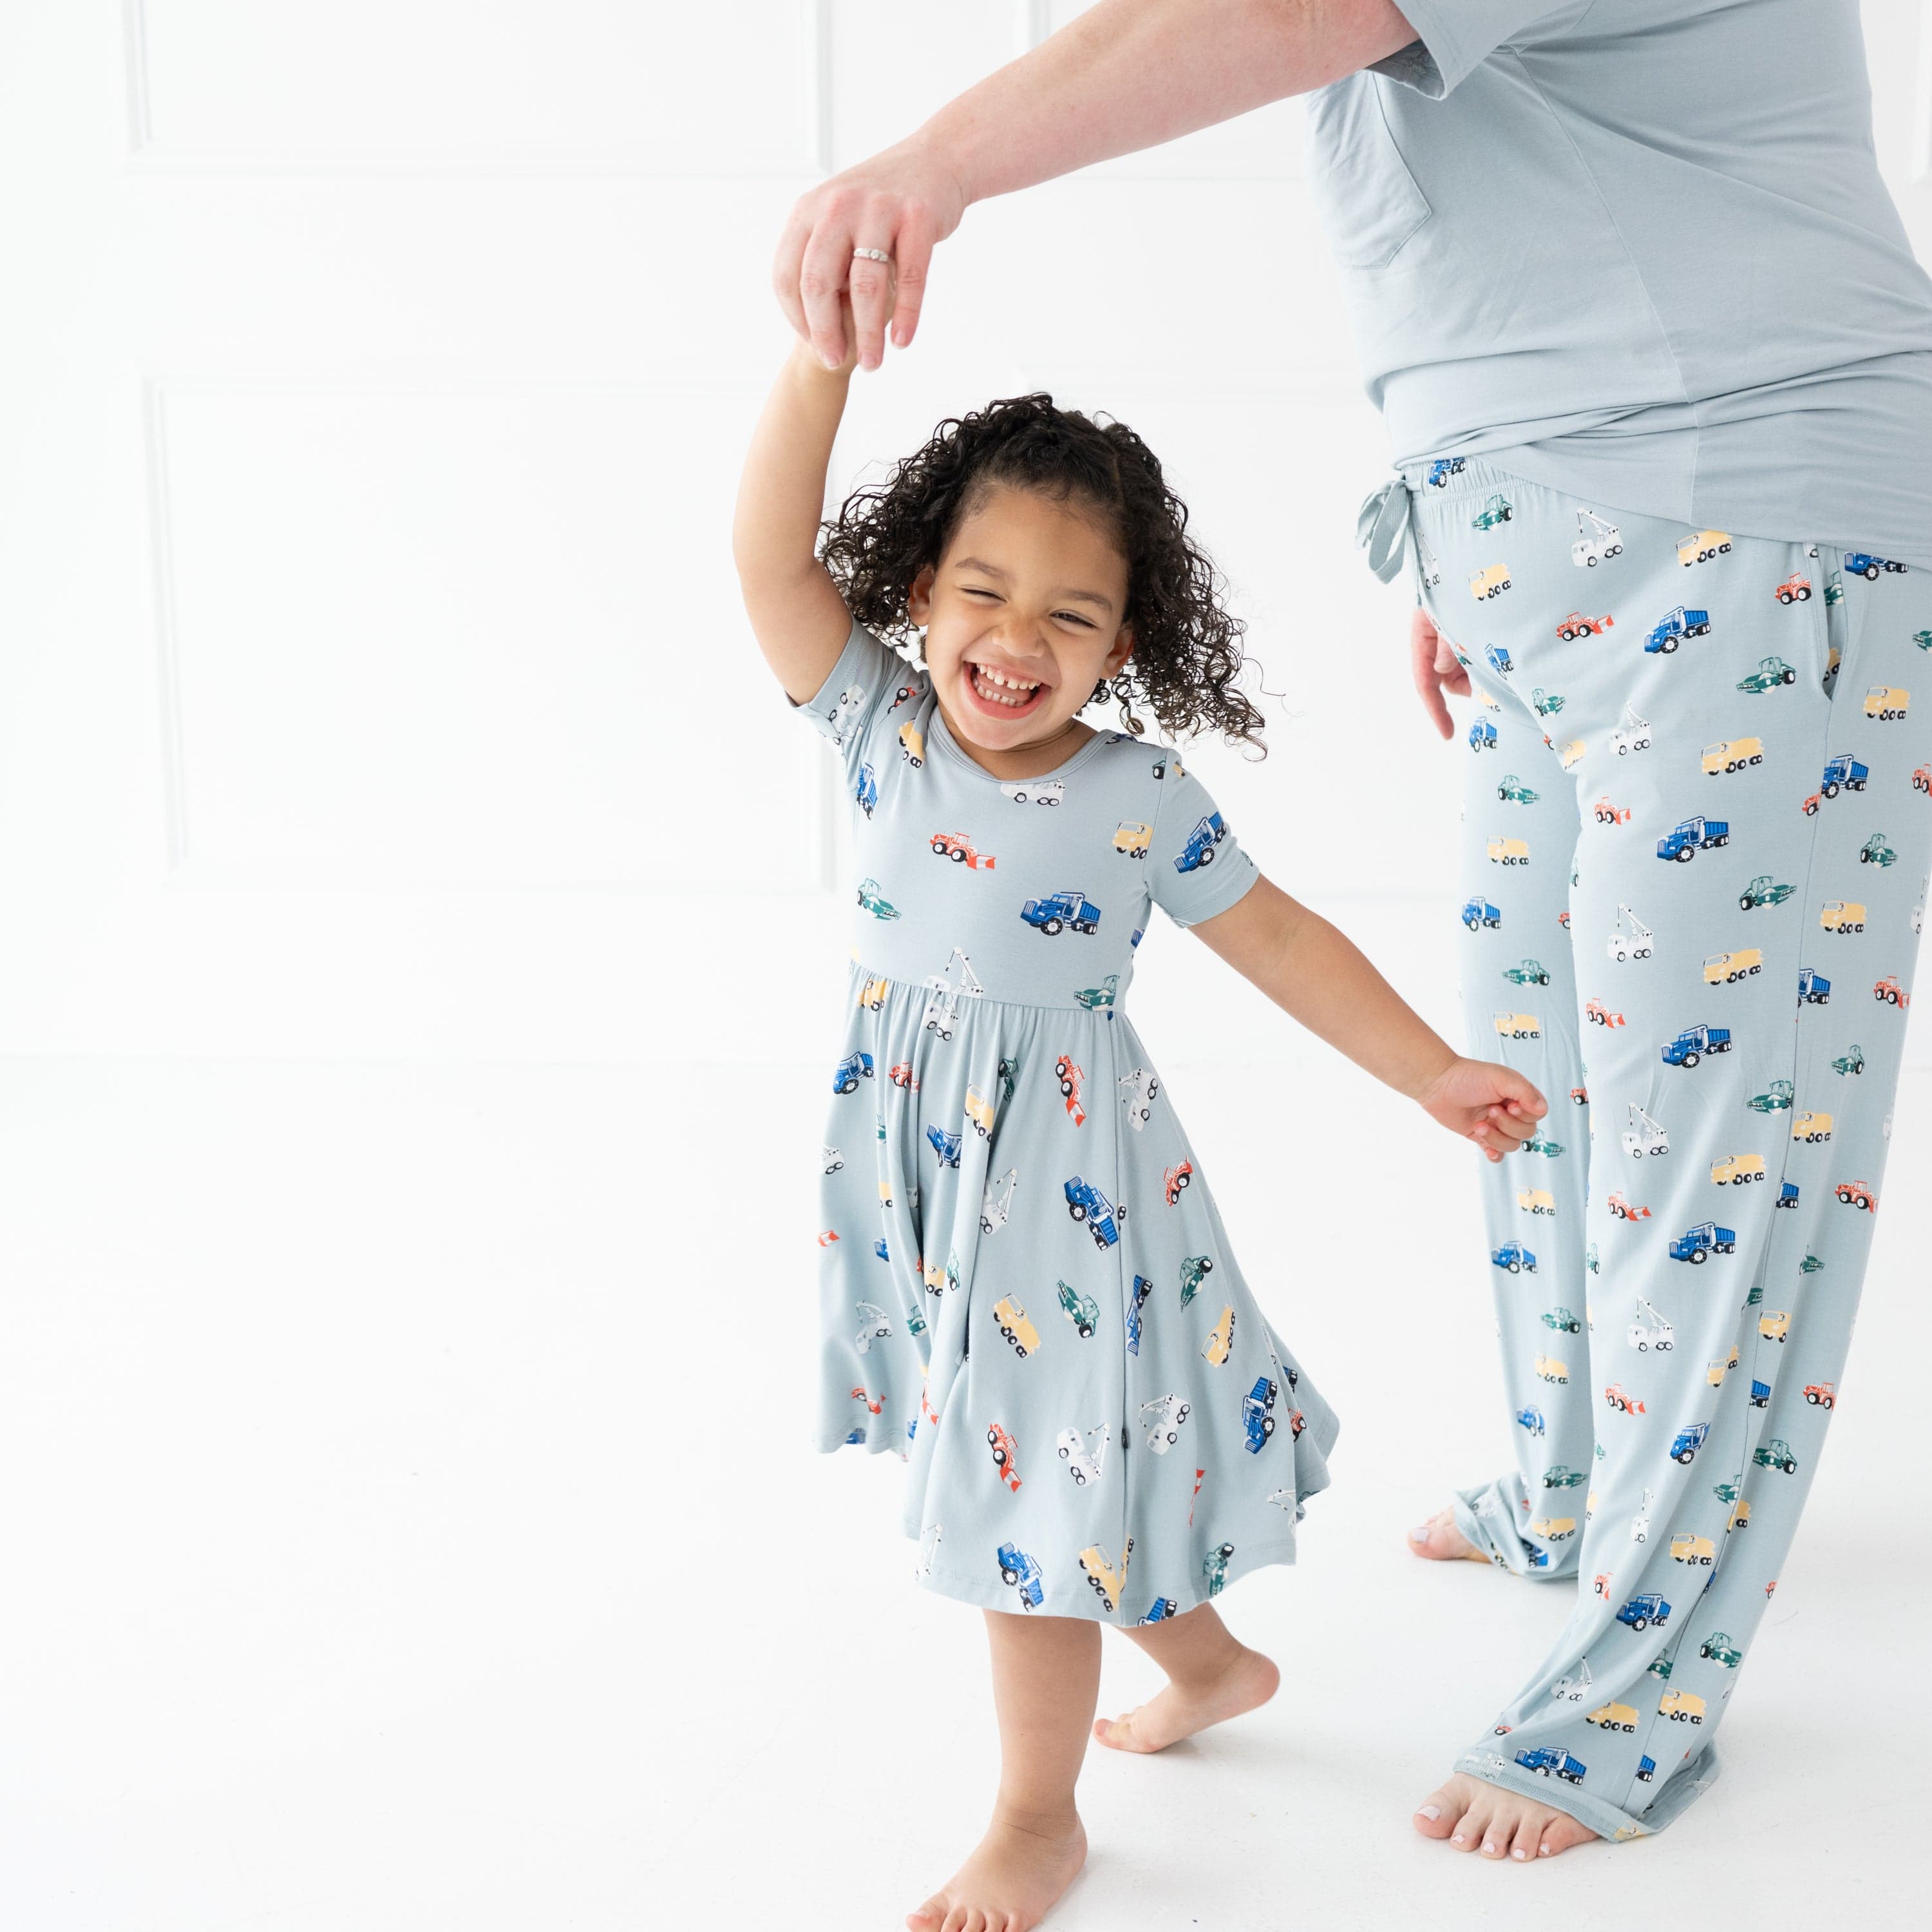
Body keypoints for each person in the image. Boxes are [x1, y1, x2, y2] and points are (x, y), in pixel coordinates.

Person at [765, 0, 1932, 1866]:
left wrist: (937, 164)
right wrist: (1480, 527)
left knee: (1713, 1150)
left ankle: (1634, 1694)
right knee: (1540, 1081)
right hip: (1581, 567)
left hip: (1749, 544)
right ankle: (1577, 1485)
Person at [732, 303, 1548, 1931]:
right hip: (924, 1178)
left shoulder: (1138, 799)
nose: (1015, 638)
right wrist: (822, 364)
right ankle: (1214, 1664)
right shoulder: (883, 728)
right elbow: (766, 560)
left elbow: (1284, 942)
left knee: (1021, 1499)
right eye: (982, 591)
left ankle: (1037, 1819)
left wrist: (1431, 1072)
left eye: (1072, 613)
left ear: (1123, 647)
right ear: (917, 592)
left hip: (1064, 1198)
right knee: (1053, 1469)